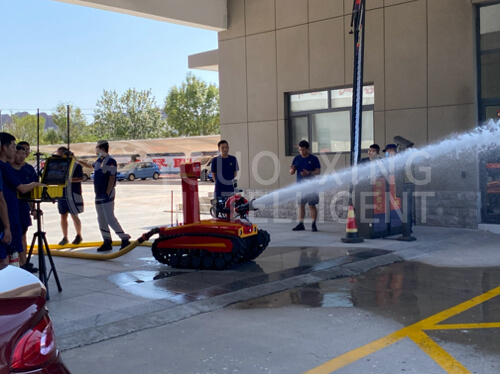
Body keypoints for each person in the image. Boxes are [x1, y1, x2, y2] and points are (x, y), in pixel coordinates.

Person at [76, 140, 130, 252]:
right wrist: (76, 160)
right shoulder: (100, 160)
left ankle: (124, 238)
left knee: (109, 218)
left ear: (101, 148)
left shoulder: (110, 161)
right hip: (98, 194)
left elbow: (111, 177)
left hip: (106, 195)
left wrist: (107, 192)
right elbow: (90, 166)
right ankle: (107, 241)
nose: (95, 149)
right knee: (101, 219)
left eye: (96, 147)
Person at [0, 133, 43, 266]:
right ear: (4, 148)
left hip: (14, 215)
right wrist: (37, 184)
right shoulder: (4, 167)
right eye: (14, 146)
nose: (16, 150)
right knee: (4, 260)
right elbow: (20, 189)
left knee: (11, 254)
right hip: (7, 218)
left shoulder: (15, 167)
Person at [10, 143, 38, 272]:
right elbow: (22, 188)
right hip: (11, 208)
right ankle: (18, 264)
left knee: (23, 235)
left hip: (23, 207)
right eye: (20, 152)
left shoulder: (28, 170)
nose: (23, 155)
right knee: (14, 236)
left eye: (25, 152)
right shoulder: (7, 170)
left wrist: (33, 208)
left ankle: (24, 262)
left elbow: (32, 192)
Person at [55, 146, 84, 246]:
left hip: (73, 193)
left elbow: (81, 178)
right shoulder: (59, 166)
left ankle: (78, 235)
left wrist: (69, 180)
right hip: (62, 194)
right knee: (63, 215)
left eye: (60, 154)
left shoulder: (76, 165)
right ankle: (65, 237)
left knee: (74, 215)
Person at [290, 140, 321, 232]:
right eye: (300, 150)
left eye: (303, 150)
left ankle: (313, 224)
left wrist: (309, 172)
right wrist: (292, 170)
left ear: (308, 149)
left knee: (312, 205)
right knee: (301, 205)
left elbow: (318, 171)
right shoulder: (296, 159)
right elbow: (291, 172)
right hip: (300, 186)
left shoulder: (314, 159)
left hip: (312, 186)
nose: (301, 152)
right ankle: (300, 224)